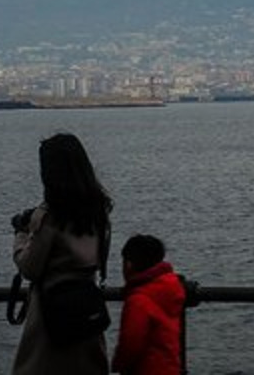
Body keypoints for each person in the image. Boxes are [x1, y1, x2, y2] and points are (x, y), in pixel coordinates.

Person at [11, 132, 114, 375]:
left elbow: (29, 268)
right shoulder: (100, 211)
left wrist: (21, 235)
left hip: (51, 317)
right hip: (87, 312)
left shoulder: (49, 216)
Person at [110, 234, 186, 375]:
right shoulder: (170, 288)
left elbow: (131, 343)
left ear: (128, 264)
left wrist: (117, 364)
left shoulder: (138, 300)